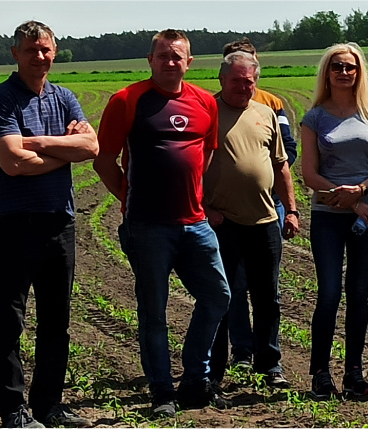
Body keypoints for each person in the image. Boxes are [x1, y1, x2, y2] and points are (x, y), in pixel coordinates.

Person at [93, 29, 231, 416]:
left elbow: (205, 153)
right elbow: (104, 161)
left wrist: (193, 197)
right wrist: (129, 197)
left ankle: (193, 380)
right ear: (150, 60)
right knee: (153, 311)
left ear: (189, 62)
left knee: (218, 296)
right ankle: (162, 392)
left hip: (195, 225)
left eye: (178, 57)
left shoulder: (205, 102)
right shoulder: (127, 100)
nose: (171, 63)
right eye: (163, 56)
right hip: (147, 227)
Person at [0, 20, 97, 429]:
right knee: (10, 320)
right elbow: (12, 163)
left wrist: (34, 143)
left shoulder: (64, 98)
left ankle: (48, 405)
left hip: (60, 223)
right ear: (15, 53)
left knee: (56, 320)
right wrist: (65, 151)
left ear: (54, 52)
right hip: (17, 225)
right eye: (31, 50)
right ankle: (13, 411)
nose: (40, 57)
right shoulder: (2, 100)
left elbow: (92, 146)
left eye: (46, 49)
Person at [300, 43, 368, 399]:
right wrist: (348, 199)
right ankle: (320, 373)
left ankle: (354, 371)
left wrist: (362, 191)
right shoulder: (315, 117)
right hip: (328, 216)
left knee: (358, 293)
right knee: (329, 294)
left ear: (359, 71)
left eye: (350, 67)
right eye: (336, 66)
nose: (343, 72)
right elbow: (309, 174)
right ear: (327, 72)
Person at [203, 51, 300, 391]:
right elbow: (191, 166)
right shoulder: (207, 111)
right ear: (222, 80)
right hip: (222, 222)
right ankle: (212, 371)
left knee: (267, 297)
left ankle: (269, 364)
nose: (243, 87)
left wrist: (292, 209)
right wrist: (204, 207)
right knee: (222, 297)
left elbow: (281, 164)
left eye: (249, 81)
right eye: (236, 81)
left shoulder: (265, 112)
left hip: (264, 219)